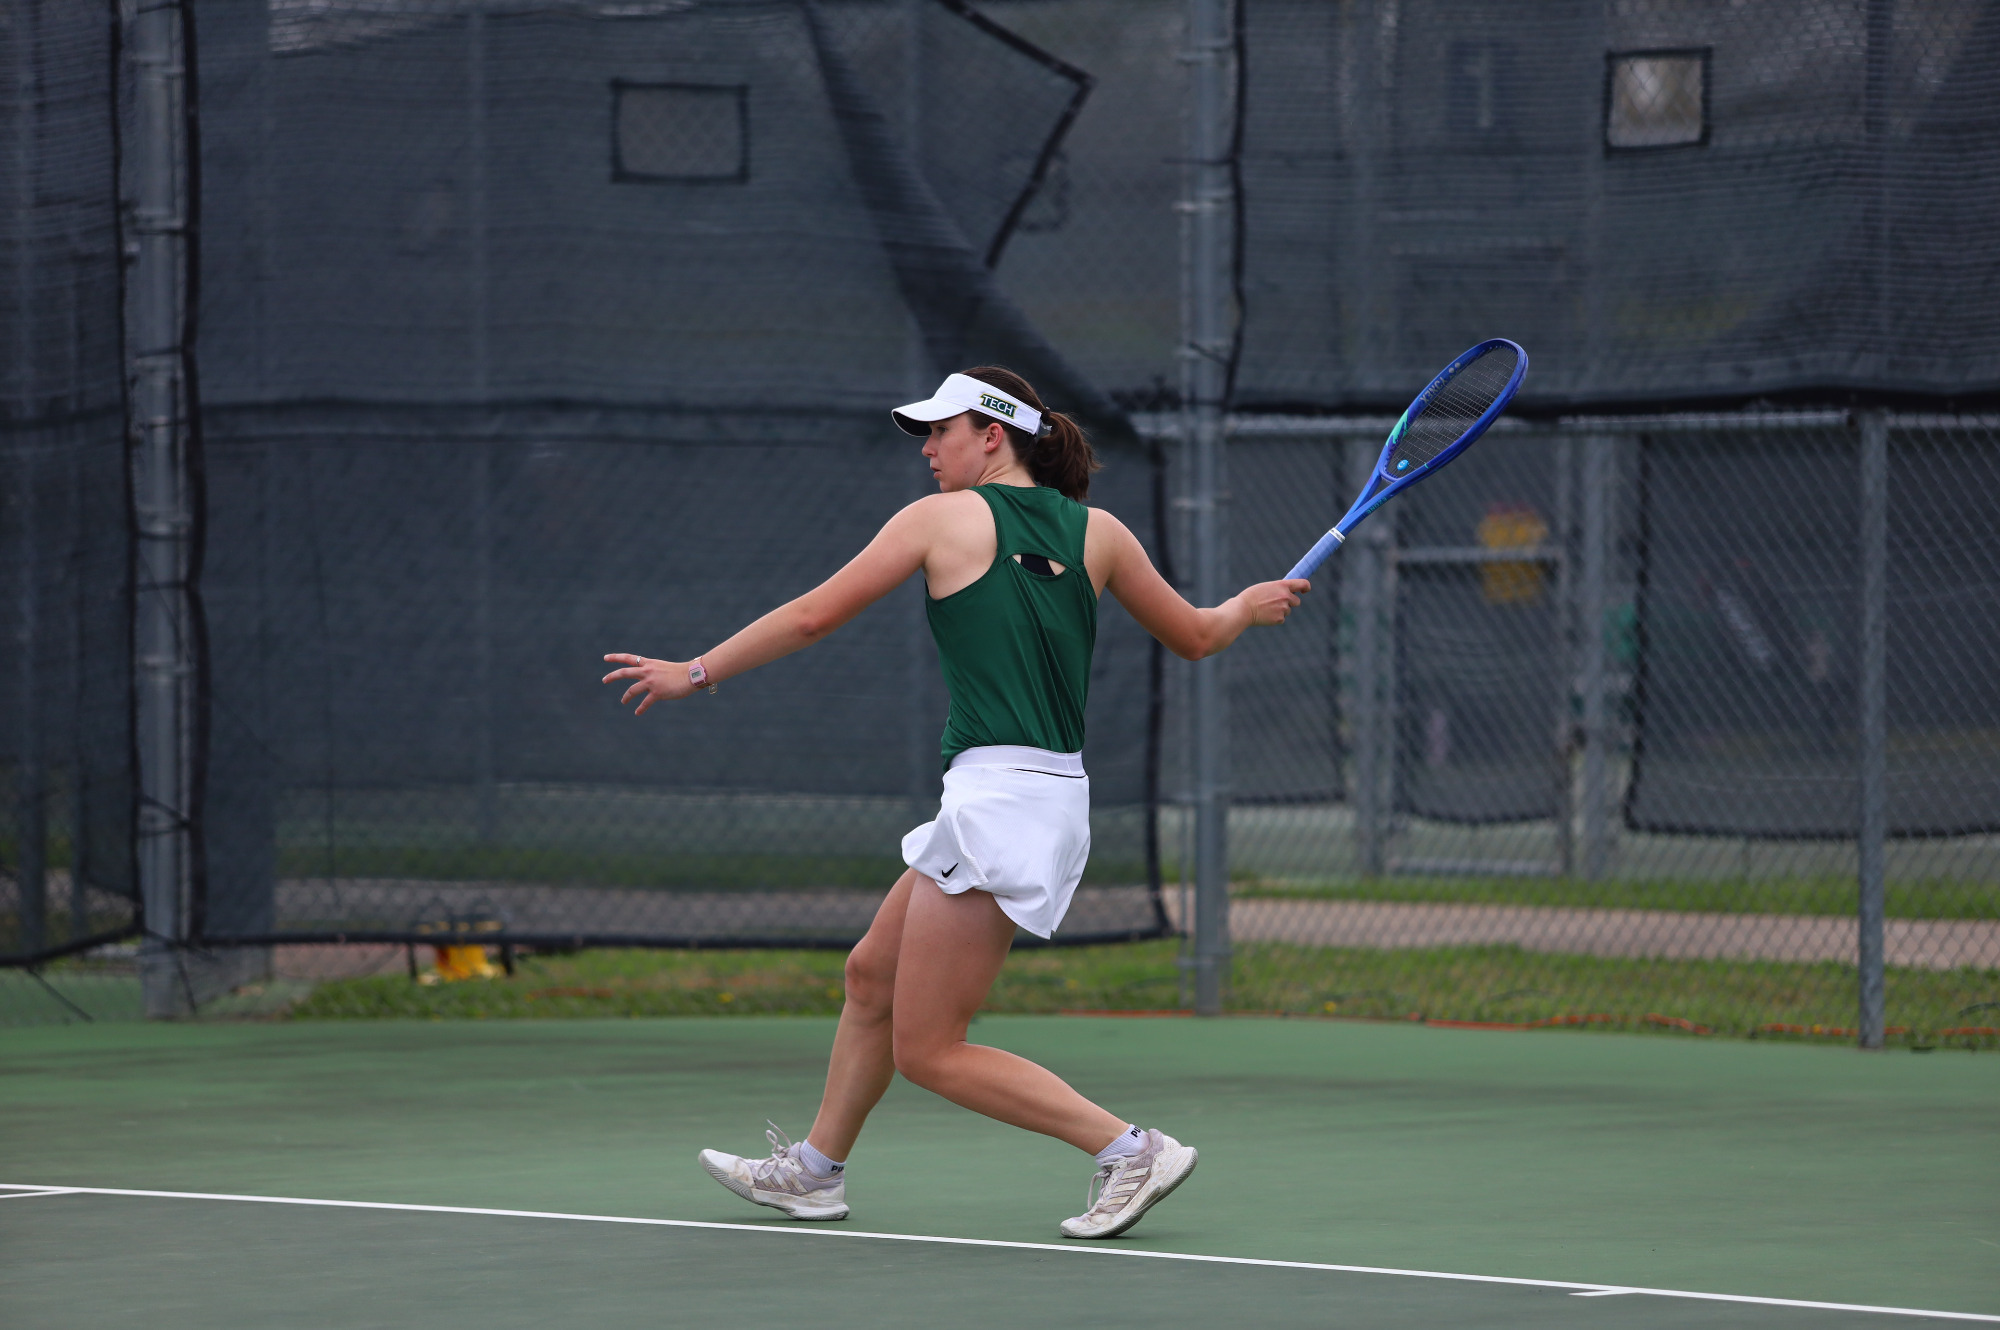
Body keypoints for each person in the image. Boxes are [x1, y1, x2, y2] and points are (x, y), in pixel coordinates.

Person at [602, 367, 1307, 1238]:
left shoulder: (939, 521)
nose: (929, 449)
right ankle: (813, 1174)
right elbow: (1197, 636)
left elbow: (818, 616)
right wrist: (1244, 605)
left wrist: (695, 671)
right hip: (1040, 798)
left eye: (942, 431)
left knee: (931, 1050)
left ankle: (1128, 1149)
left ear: (994, 435)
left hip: (998, 803)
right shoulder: (1102, 533)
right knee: (871, 975)